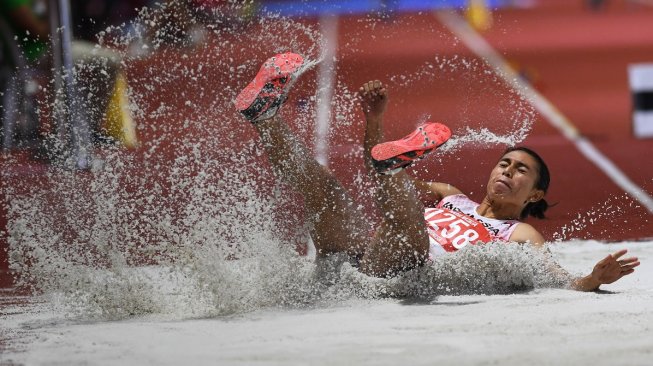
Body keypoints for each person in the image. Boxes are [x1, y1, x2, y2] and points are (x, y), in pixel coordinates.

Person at [234, 52, 640, 292]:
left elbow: (552, 277)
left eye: (520, 172)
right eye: (504, 163)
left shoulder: (520, 233)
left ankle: (396, 165)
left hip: (399, 273)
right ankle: (265, 117)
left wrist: (591, 279)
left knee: (408, 218)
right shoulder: (451, 194)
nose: (507, 172)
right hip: (359, 255)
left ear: (533, 195)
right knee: (325, 190)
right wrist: (373, 121)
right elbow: (375, 176)